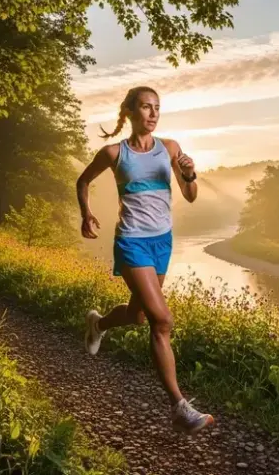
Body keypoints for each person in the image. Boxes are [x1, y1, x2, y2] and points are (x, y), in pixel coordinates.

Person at [75, 86, 214, 435]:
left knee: (138, 315)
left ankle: (98, 324)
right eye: (145, 107)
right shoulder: (113, 153)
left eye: (157, 108)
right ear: (131, 112)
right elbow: (83, 180)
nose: (152, 113)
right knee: (161, 320)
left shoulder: (170, 148)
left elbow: (191, 196)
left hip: (162, 241)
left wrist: (190, 174)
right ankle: (180, 407)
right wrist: (86, 214)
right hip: (132, 241)